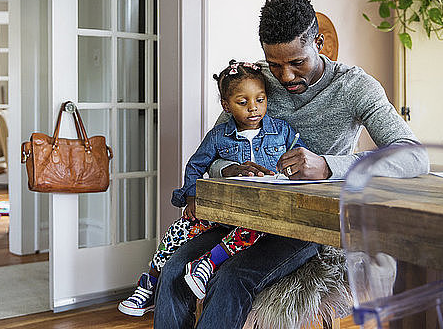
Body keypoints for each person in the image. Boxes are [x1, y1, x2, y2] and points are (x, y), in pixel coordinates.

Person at [153, 0, 429, 328]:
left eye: (297, 62)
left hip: (310, 225)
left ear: (319, 41)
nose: (285, 77)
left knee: (233, 278)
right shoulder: (255, 83)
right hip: (247, 219)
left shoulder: (355, 87)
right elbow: (213, 150)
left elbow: (413, 156)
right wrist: (228, 168)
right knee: (174, 270)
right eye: (274, 64)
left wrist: (329, 165)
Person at [118, 61, 305, 316]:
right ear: (226, 106)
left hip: (259, 214)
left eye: (260, 100)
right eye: (243, 102)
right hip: (222, 212)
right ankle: (150, 280)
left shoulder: (282, 132)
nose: (253, 108)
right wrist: (192, 196)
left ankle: (207, 264)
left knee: (252, 227)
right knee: (180, 228)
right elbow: (195, 166)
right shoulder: (218, 136)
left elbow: (303, 160)